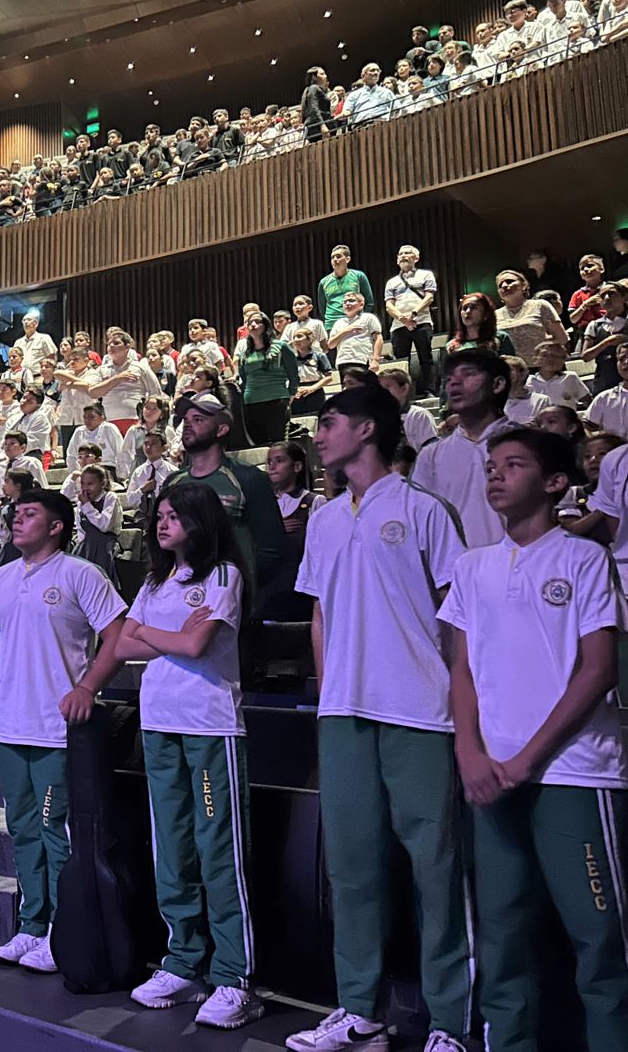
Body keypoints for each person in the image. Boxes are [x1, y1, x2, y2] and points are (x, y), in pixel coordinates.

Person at [287, 385, 471, 1052]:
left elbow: (458, 617)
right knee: (353, 870)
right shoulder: (326, 518)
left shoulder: (426, 509)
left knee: (437, 872)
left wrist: (462, 711)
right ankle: (358, 1008)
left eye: (328, 423)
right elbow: (319, 614)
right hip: (344, 713)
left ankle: (452, 1021)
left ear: (367, 429)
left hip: (421, 712)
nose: (319, 435)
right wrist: (330, 691)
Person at [441, 428, 628, 1052]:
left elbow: (598, 669)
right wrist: (470, 751)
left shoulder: (584, 559)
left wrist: (526, 758)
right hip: (492, 775)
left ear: (554, 483)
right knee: (501, 935)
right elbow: (461, 671)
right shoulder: (472, 566)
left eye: (513, 464)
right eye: (491, 466)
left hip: (577, 773)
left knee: (600, 942)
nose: (495, 475)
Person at [83, 481, 257, 1027]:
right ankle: (184, 961)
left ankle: (235, 977)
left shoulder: (223, 575)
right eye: (158, 516)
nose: (161, 525)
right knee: (173, 848)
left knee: (217, 850)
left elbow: (194, 645)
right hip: (158, 725)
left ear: (200, 522)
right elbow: (122, 644)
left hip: (209, 728)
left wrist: (156, 635)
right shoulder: (158, 580)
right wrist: (169, 633)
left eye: (173, 516)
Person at [0, 490, 126, 975]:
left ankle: (64, 931)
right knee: (21, 828)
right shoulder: (0, 579)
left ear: (58, 525)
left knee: (54, 831)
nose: (16, 520)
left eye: (29, 514)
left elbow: (117, 634)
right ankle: (31, 925)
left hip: (56, 727)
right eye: (14, 514)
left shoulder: (80, 573)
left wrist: (86, 686)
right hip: (10, 722)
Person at [167, 393, 285, 605]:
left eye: (198, 420)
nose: (188, 425)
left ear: (222, 429)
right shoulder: (173, 482)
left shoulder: (248, 479)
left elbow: (271, 549)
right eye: (186, 420)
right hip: (179, 599)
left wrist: (241, 589)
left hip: (232, 602)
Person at [415, 348, 514, 548]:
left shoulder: (529, 445)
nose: (454, 383)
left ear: (497, 384)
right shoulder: (431, 455)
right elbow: (421, 519)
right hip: (456, 571)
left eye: (468, 374)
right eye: (449, 377)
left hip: (522, 566)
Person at [237, 310, 300, 444]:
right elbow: (244, 379)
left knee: (279, 442)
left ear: (266, 325)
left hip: (276, 399)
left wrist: (291, 394)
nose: (253, 325)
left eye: (258, 322)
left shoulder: (281, 346)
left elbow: (293, 374)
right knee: (258, 442)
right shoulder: (244, 353)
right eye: (250, 323)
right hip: (251, 402)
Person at [383, 244, 438, 394]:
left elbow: (429, 297)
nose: (403, 256)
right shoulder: (392, 282)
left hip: (422, 321)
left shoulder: (426, 275)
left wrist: (413, 313)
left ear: (416, 258)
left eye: (407, 253)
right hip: (399, 325)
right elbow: (389, 305)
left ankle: (429, 390)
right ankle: (404, 394)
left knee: (425, 358)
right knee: (400, 362)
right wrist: (403, 318)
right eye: (400, 254)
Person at [494, 269, 569, 367]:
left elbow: (562, 338)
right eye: (500, 285)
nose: (504, 286)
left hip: (543, 368)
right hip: (512, 372)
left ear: (524, 285)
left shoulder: (540, 305)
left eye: (509, 281)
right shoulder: (495, 315)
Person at [317, 245, 375, 327]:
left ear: (348, 259)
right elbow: (322, 307)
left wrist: (361, 319)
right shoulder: (323, 282)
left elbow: (369, 302)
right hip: (331, 325)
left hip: (355, 323)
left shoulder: (359, 276)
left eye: (338, 256)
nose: (335, 260)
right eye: (332, 257)